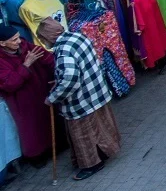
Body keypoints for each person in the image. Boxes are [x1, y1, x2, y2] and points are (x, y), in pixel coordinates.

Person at [41, 19, 120, 181]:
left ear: (49, 36)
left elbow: (70, 79)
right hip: (97, 92)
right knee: (100, 127)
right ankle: (104, 152)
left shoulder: (63, 51)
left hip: (81, 102)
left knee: (82, 136)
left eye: (43, 38)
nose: (43, 42)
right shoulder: (78, 36)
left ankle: (92, 164)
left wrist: (53, 97)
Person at [0, 24, 54, 159]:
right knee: (31, 130)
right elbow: (9, 84)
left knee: (47, 122)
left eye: (18, 37)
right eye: (14, 40)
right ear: (2, 43)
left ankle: (54, 147)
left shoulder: (25, 46)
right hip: (22, 102)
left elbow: (47, 57)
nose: (19, 41)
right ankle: (37, 157)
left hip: (41, 91)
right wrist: (26, 64)